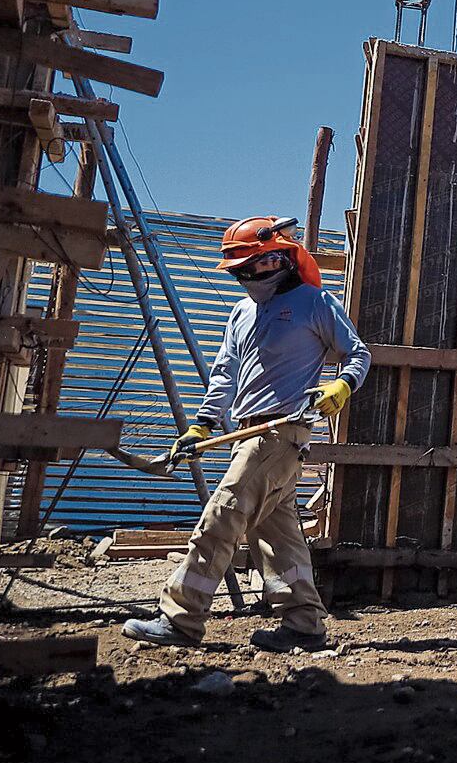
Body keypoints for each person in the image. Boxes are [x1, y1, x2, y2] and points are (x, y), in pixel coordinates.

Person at [122, 216, 369, 651]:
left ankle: (180, 619)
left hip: (281, 432)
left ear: (280, 258)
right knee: (278, 537)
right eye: (240, 269)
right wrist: (203, 423)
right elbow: (224, 374)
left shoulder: (315, 303)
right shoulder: (241, 312)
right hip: (247, 434)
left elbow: (358, 353)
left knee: (223, 516)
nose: (247, 276)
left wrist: (341, 386)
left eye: (254, 266)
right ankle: (304, 624)